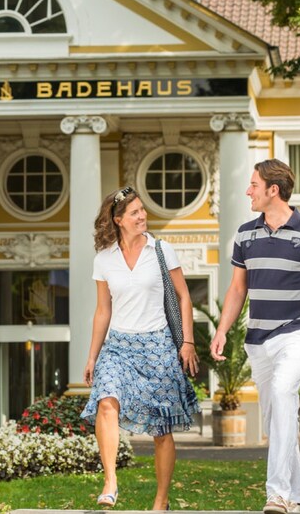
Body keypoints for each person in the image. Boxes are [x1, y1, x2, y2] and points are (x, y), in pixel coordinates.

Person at [211, 159, 300, 514]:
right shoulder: (245, 234)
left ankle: (277, 494)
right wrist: (222, 330)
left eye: (254, 185)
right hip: (258, 339)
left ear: (273, 190)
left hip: (298, 331)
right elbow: (237, 288)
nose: (248, 191)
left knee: (281, 393)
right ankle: (299, 499)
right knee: (277, 419)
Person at [81, 186, 200, 511]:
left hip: (158, 345)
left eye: (143, 211)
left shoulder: (161, 250)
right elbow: (102, 309)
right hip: (118, 346)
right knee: (107, 403)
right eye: (135, 213)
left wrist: (187, 341)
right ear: (118, 220)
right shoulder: (104, 259)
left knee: (161, 430)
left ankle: (161, 500)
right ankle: (110, 482)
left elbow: (183, 297)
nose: (142, 216)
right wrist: (92, 356)